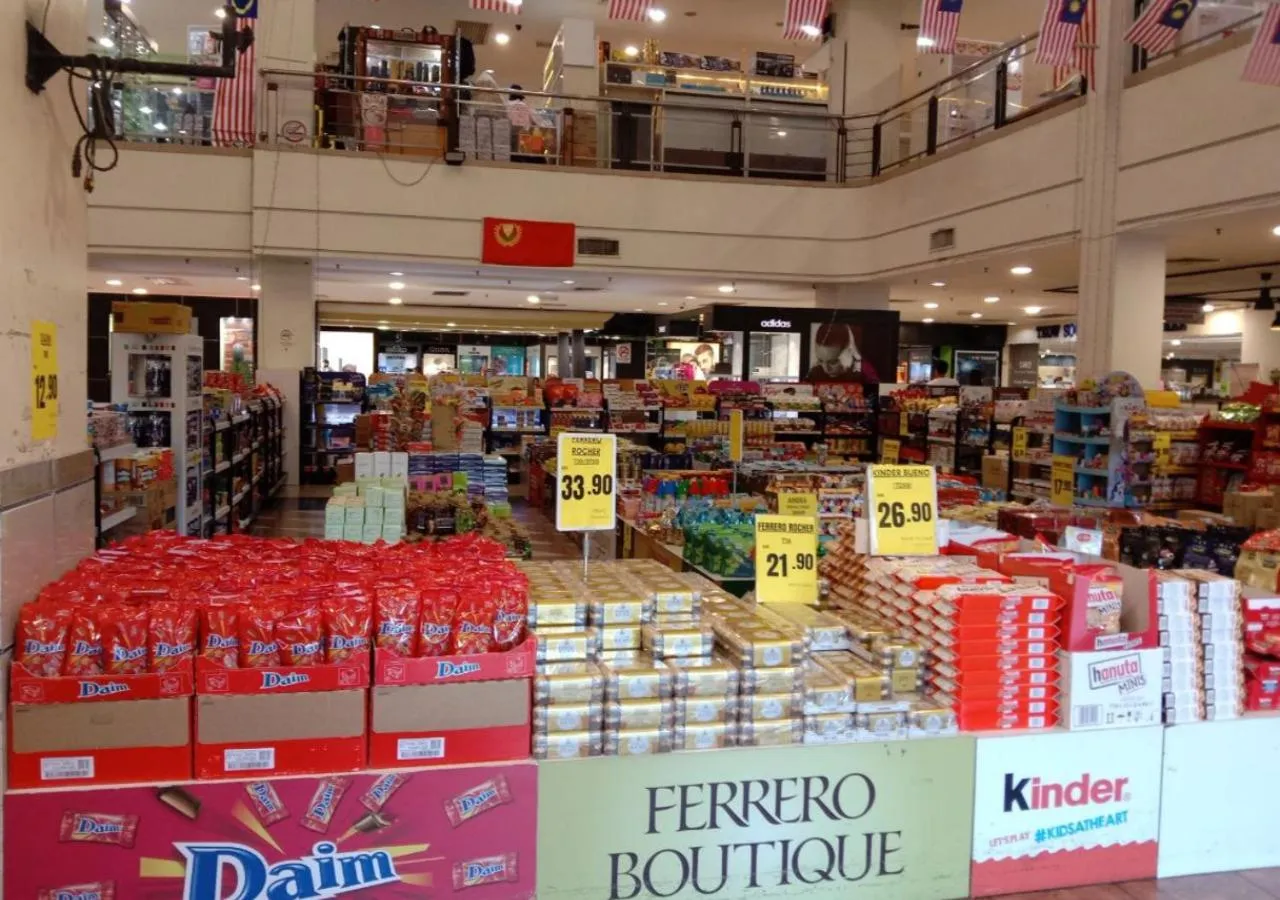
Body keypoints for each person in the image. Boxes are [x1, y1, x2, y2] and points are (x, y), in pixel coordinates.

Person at [806, 323, 880, 382]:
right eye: (820, 360)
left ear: (848, 350)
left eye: (833, 362)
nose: (826, 369)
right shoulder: (814, 374)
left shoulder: (865, 372)